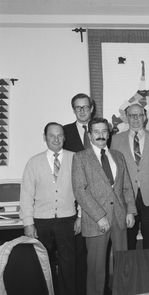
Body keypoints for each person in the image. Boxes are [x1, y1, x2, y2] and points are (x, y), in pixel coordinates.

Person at [72, 117, 137, 295]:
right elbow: (80, 191)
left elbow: (126, 186)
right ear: (90, 134)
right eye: (96, 132)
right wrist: (99, 217)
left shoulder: (118, 156)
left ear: (108, 134)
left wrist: (130, 210)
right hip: (95, 221)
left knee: (123, 264)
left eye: (104, 131)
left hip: (120, 217)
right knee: (96, 268)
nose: (101, 135)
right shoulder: (80, 158)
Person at [19, 122, 80, 295]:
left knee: (68, 264)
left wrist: (81, 216)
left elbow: (82, 190)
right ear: (44, 137)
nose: (56, 139)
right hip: (40, 221)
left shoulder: (75, 158)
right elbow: (26, 194)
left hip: (67, 219)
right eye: (51, 135)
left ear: (65, 137)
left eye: (60, 135)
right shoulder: (34, 162)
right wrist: (28, 222)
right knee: (42, 263)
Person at [111, 103, 149, 250]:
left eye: (139, 115)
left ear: (145, 117)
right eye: (132, 115)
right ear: (127, 117)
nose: (135, 118)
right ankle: (130, 272)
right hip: (126, 198)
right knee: (128, 241)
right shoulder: (116, 139)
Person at [63, 93, 94, 295]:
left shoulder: (102, 129)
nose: (82, 111)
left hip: (101, 199)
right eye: (77, 108)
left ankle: (97, 288)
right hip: (75, 200)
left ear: (92, 108)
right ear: (73, 110)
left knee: (99, 251)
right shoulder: (64, 132)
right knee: (79, 250)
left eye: (85, 107)